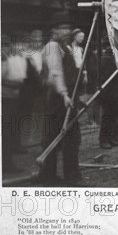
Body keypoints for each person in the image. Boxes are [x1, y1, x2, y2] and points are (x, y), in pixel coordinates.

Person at [39, 11, 83, 186]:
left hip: (66, 97)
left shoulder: (65, 47)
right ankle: (70, 178)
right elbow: (56, 73)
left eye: (69, 27)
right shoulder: (52, 47)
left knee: (55, 135)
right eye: (63, 27)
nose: (67, 30)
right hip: (58, 98)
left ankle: (48, 175)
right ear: (54, 30)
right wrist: (65, 94)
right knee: (70, 137)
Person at [1, 33, 27, 173]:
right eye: (3, 45)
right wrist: (14, 84)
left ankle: (7, 161)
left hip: (11, 98)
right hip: (4, 98)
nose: (6, 48)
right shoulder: (0, 58)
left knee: (9, 130)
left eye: (7, 45)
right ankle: (6, 164)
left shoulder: (8, 58)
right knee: (5, 132)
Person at [98, 38, 118, 149]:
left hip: (115, 91)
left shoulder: (112, 59)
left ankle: (111, 138)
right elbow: (111, 76)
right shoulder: (106, 59)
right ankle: (104, 140)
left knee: (114, 115)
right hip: (108, 93)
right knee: (107, 116)